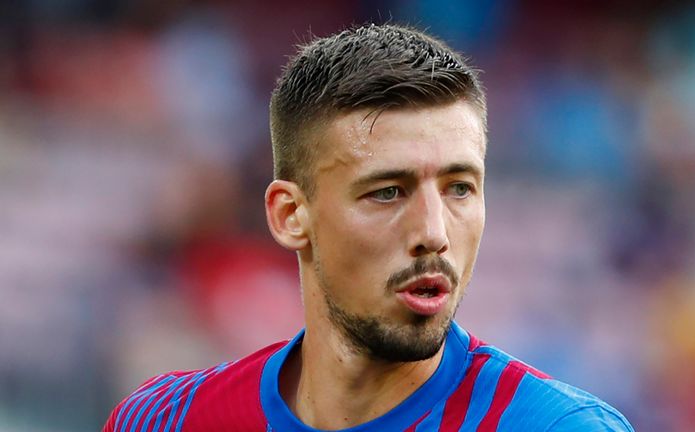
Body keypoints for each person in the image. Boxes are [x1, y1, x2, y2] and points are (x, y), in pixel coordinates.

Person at [103, 23, 635, 431]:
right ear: (291, 215)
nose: (434, 232)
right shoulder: (164, 420)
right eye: (387, 192)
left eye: (459, 188)